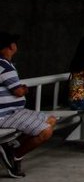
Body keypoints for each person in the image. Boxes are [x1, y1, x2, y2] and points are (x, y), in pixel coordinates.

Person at [0, 32, 56, 178]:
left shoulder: (5, 64)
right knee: (46, 131)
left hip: (14, 112)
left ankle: (11, 147)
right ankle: (15, 156)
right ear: (10, 47)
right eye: (14, 43)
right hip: (5, 115)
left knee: (51, 119)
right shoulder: (4, 66)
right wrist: (24, 89)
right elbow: (18, 91)